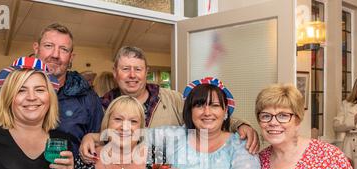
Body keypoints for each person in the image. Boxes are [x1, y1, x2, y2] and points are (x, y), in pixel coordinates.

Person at [101, 46, 260, 154]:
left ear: (146, 72)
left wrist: (239, 125)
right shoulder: (102, 106)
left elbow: (204, 113)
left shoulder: (171, 99)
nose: (132, 75)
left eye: (138, 69)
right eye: (125, 69)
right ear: (115, 72)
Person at [33, 23, 104, 157]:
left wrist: (92, 137)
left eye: (64, 49)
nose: (55, 54)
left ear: (71, 57)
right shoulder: (18, 93)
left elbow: (103, 140)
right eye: (48, 46)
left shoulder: (87, 98)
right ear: (36, 49)